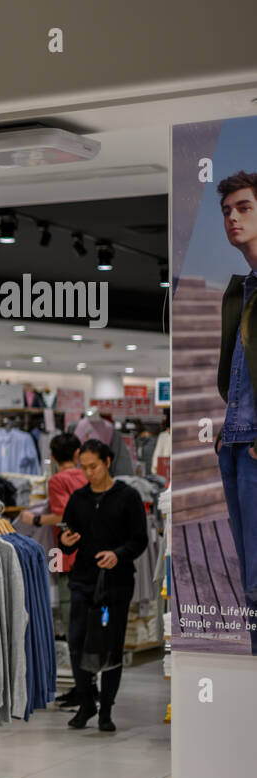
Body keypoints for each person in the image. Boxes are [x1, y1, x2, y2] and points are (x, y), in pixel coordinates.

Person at [57, 439, 148, 732]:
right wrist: (65, 542)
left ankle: (107, 709)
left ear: (107, 462)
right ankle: (87, 704)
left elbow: (139, 540)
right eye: (84, 467)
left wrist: (117, 555)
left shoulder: (128, 496)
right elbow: (66, 537)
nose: (88, 472)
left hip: (116, 584)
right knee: (76, 642)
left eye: (93, 466)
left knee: (111, 646)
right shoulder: (79, 498)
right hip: (82, 582)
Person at [214, 170, 257, 654]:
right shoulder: (244, 288)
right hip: (236, 442)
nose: (232, 217)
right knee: (250, 582)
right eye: (227, 210)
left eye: (243, 207)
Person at [19, 432, 88, 704]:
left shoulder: (58, 480)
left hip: (67, 556)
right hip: (88, 554)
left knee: (72, 624)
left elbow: (61, 516)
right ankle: (86, 685)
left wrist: (34, 519)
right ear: (76, 454)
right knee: (84, 624)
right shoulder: (85, 476)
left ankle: (82, 689)